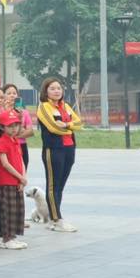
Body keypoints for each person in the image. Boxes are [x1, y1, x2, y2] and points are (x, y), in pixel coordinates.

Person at [35, 77, 81, 232]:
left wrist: (67, 124)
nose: (56, 91)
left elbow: (79, 123)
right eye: (52, 88)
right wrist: (70, 128)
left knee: (60, 186)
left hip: (69, 148)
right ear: (45, 91)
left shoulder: (66, 106)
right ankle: (56, 220)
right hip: (53, 149)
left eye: (59, 88)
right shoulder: (44, 107)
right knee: (53, 186)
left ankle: (54, 217)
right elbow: (53, 127)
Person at [0, 111, 29, 250]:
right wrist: (20, 177)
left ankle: (13, 237)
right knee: (8, 210)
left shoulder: (16, 140)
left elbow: (21, 160)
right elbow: (5, 163)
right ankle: (6, 238)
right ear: (2, 127)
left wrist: (23, 178)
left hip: (17, 181)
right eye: (10, 126)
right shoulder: (2, 141)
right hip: (7, 181)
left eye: (16, 125)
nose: (14, 128)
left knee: (17, 210)